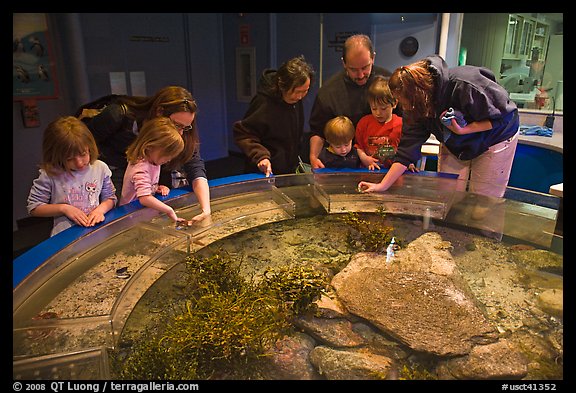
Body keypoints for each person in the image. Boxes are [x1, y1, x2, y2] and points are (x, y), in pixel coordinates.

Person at [357, 54, 520, 228]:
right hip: (456, 141)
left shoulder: (466, 85)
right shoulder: (414, 107)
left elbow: (504, 116)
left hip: (495, 137)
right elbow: (406, 152)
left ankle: (486, 245)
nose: (405, 108)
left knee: (482, 206)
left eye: (407, 103)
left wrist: (464, 130)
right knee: (449, 196)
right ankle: (452, 236)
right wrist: (382, 185)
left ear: (421, 95)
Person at [77, 86, 211, 223]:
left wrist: (206, 209)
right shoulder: (120, 115)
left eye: (186, 127)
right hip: (113, 176)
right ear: (159, 112)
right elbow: (83, 142)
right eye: (177, 125)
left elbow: (195, 165)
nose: (181, 133)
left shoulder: (157, 157)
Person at [308, 34, 392, 169]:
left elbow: (406, 124)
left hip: (383, 162)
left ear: (373, 58)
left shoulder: (389, 83)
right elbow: (317, 130)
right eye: (353, 69)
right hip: (341, 164)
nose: (360, 75)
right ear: (344, 63)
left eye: (365, 67)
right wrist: (313, 156)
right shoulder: (328, 92)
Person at [27, 116, 117, 237]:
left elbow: (110, 198)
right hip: (65, 236)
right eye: (69, 159)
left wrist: (100, 210)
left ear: (89, 148)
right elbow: (34, 207)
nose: (79, 163)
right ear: (56, 156)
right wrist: (64, 209)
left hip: (94, 232)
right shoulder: (49, 174)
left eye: (83, 154)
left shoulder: (100, 168)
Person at [233, 55, 315, 177]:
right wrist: (261, 156)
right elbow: (243, 133)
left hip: (287, 170)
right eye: (297, 92)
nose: (300, 97)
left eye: (305, 91)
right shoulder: (264, 102)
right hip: (264, 171)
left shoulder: (295, 101)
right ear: (282, 86)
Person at [119, 117, 186, 224]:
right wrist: (169, 210)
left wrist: (156, 188)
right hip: (131, 217)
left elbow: (143, 187)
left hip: (143, 213)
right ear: (150, 146)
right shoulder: (140, 168)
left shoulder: (152, 160)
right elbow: (144, 198)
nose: (169, 159)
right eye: (167, 154)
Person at [355, 75, 403, 170]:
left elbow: (406, 151)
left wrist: (408, 163)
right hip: (368, 170)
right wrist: (364, 158)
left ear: (394, 104)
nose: (378, 113)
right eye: (374, 108)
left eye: (383, 108)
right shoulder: (364, 123)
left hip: (392, 172)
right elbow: (358, 147)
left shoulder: (401, 124)